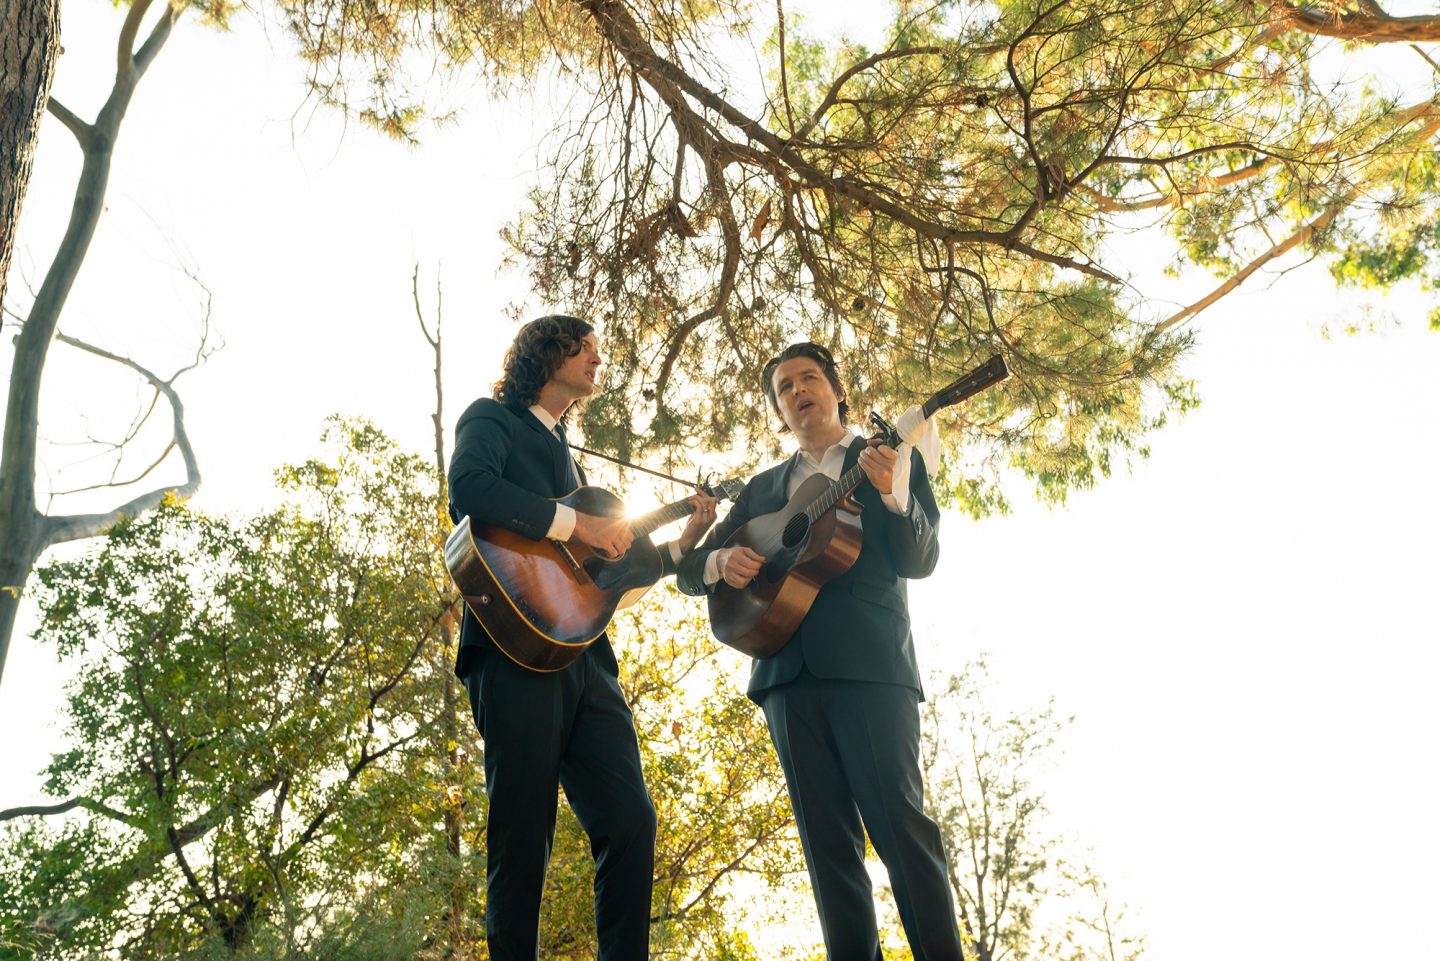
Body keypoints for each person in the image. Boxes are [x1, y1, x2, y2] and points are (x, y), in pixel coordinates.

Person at [677, 341, 964, 960]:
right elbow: (688, 571)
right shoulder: (762, 491)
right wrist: (722, 560)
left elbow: (923, 557)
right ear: (780, 411)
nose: (798, 390)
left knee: (902, 831)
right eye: (784, 387)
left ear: (837, 391)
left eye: (809, 378)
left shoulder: (886, 455)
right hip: (785, 678)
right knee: (828, 855)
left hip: (870, 669)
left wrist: (892, 493)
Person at [447, 314, 716, 960]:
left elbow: (605, 576)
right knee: (522, 832)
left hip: (588, 662)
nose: (599, 357)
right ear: (546, 352)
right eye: (586, 347)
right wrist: (577, 526)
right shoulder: (492, 420)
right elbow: (470, 490)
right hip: (513, 652)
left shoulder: (573, 454)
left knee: (630, 819)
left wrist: (682, 545)